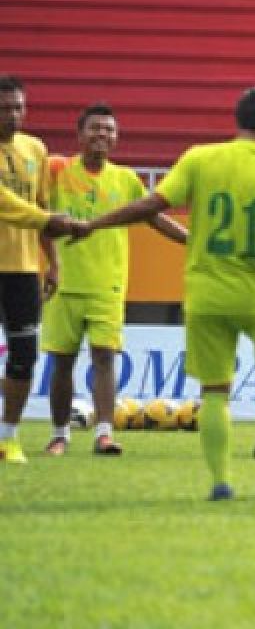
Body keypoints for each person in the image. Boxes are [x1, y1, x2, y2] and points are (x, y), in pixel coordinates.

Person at [80, 86, 255, 500]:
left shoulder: (199, 157)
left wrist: (94, 223)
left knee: (214, 392)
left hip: (204, 293)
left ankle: (220, 481)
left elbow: (151, 205)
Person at [43, 104, 188, 457]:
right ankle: (60, 434)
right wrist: (52, 264)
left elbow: (154, 217)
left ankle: (104, 434)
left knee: (104, 357)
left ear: (116, 138)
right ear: (79, 135)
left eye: (109, 130)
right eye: (95, 129)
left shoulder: (125, 179)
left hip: (107, 284)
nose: (102, 136)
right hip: (65, 284)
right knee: (62, 362)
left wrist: (190, 240)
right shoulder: (58, 172)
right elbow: (40, 219)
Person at [0, 76, 59, 464]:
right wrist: (55, 220)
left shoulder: (35, 149)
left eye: (19, 107)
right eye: (5, 108)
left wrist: (53, 262)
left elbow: (42, 213)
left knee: (24, 355)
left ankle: (8, 438)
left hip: (22, 269)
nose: (13, 115)